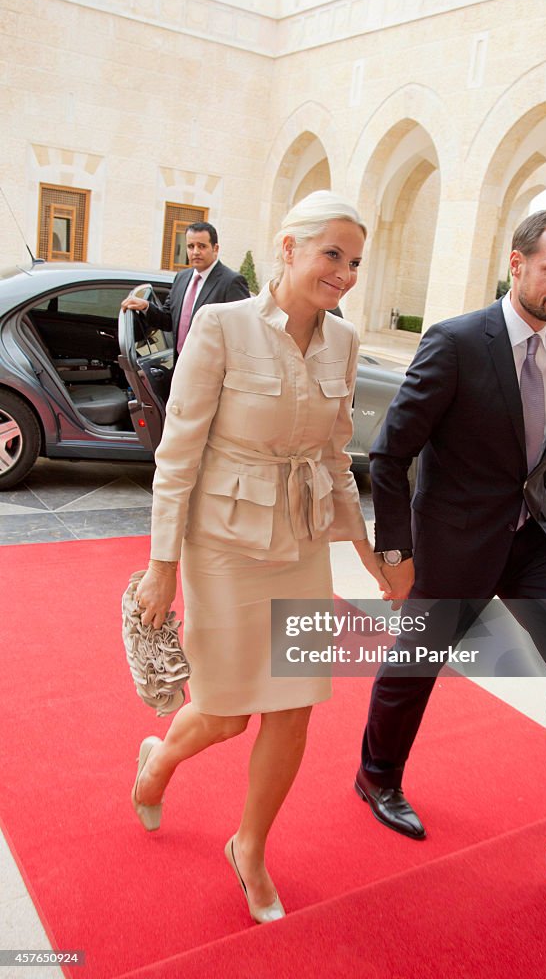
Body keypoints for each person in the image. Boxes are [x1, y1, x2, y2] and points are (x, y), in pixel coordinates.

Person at [356, 209, 546, 904]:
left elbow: (544, 456)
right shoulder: (456, 342)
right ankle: (377, 773)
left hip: (533, 542)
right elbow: (390, 453)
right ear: (516, 263)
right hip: (457, 539)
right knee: (415, 664)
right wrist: (396, 555)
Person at [130, 191, 388, 923]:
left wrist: (365, 552)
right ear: (287, 247)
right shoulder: (221, 326)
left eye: (355, 261)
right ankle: (158, 761)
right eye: (331, 254)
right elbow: (177, 452)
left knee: (295, 707)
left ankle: (249, 846)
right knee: (224, 712)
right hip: (224, 542)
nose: (343, 272)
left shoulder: (343, 341)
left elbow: (336, 456)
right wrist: (161, 563)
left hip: (301, 541)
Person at [121, 222, 249, 356]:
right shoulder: (182, 278)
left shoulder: (231, 282)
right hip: (180, 365)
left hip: (212, 371)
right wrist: (146, 306)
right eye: (190, 246)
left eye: (202, 246)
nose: (196, 252)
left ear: (215, 248)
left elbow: (240, 334)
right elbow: (168, 321)